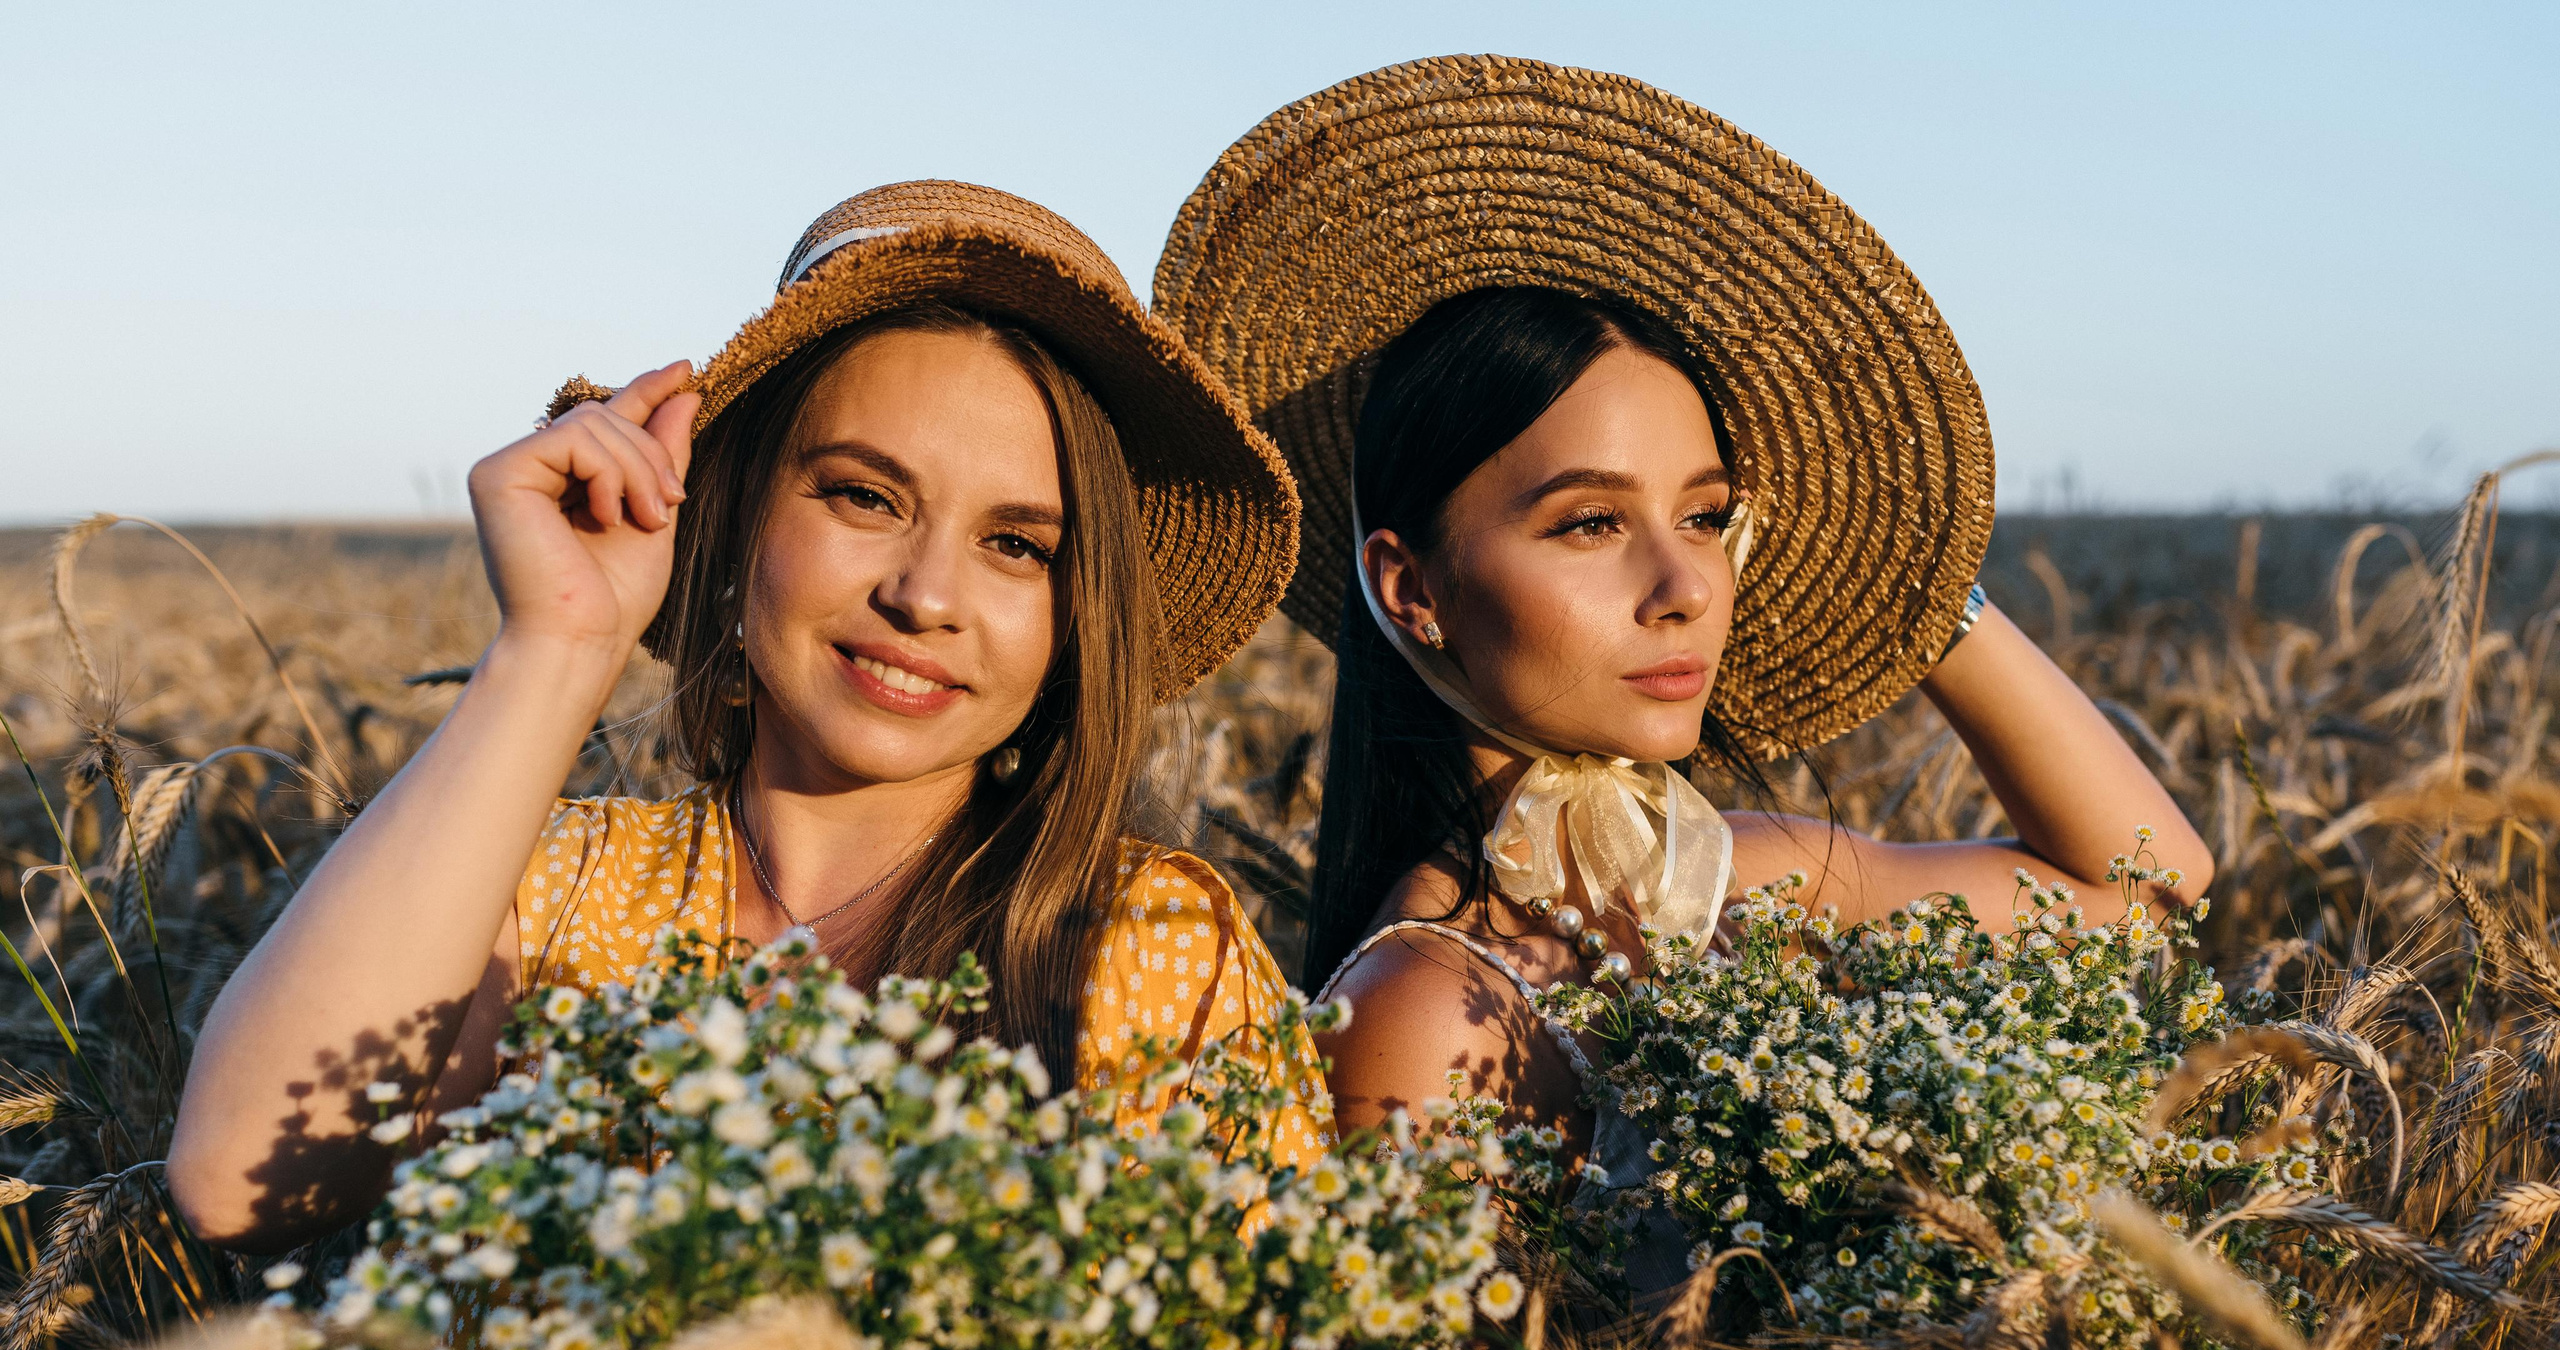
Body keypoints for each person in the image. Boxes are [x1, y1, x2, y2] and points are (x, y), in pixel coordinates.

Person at [171, 182, 1323, 1253]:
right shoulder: (549, 892)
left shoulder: (1154, 949)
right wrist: (557, 646)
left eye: (1017, 545)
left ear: (1076, 622)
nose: (924, 595)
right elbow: (243, 1177)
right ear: (735, 518)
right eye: (864, 496)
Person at [1155, 58, 2213, 1159]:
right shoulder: (1424, 1010)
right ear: (1412, 589)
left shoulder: (1725, 882)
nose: (1689, 586)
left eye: (1705, 516)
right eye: (1589, 524)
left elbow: (2145, 893)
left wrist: (1914, 582)